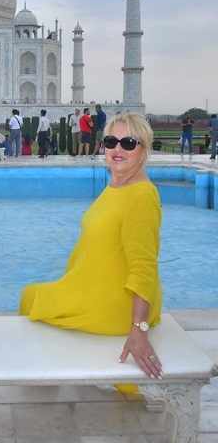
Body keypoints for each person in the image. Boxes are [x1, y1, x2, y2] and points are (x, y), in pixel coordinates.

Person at [19, 112, 163, 381]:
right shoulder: (120, 183)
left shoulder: (142, 196)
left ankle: (44, 377)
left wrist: (138, 330)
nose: (117, 149)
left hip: (116, 304)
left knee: (31, 296)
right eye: (111, 142)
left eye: (128, 143)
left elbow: (144, 266)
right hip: (101, 287)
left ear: (143, 151)